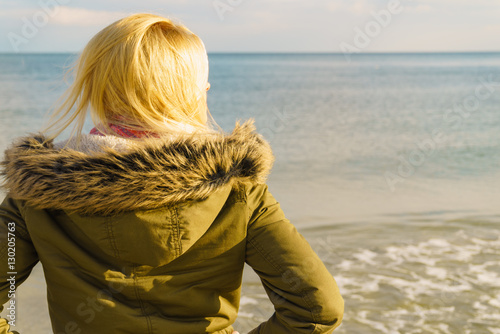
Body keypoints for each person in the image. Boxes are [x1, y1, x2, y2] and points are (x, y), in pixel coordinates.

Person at [0, 13, 344, 334]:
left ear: (93, 88)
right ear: (200, 93)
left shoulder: (36, 190)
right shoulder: (238, 192)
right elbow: (318, 308)